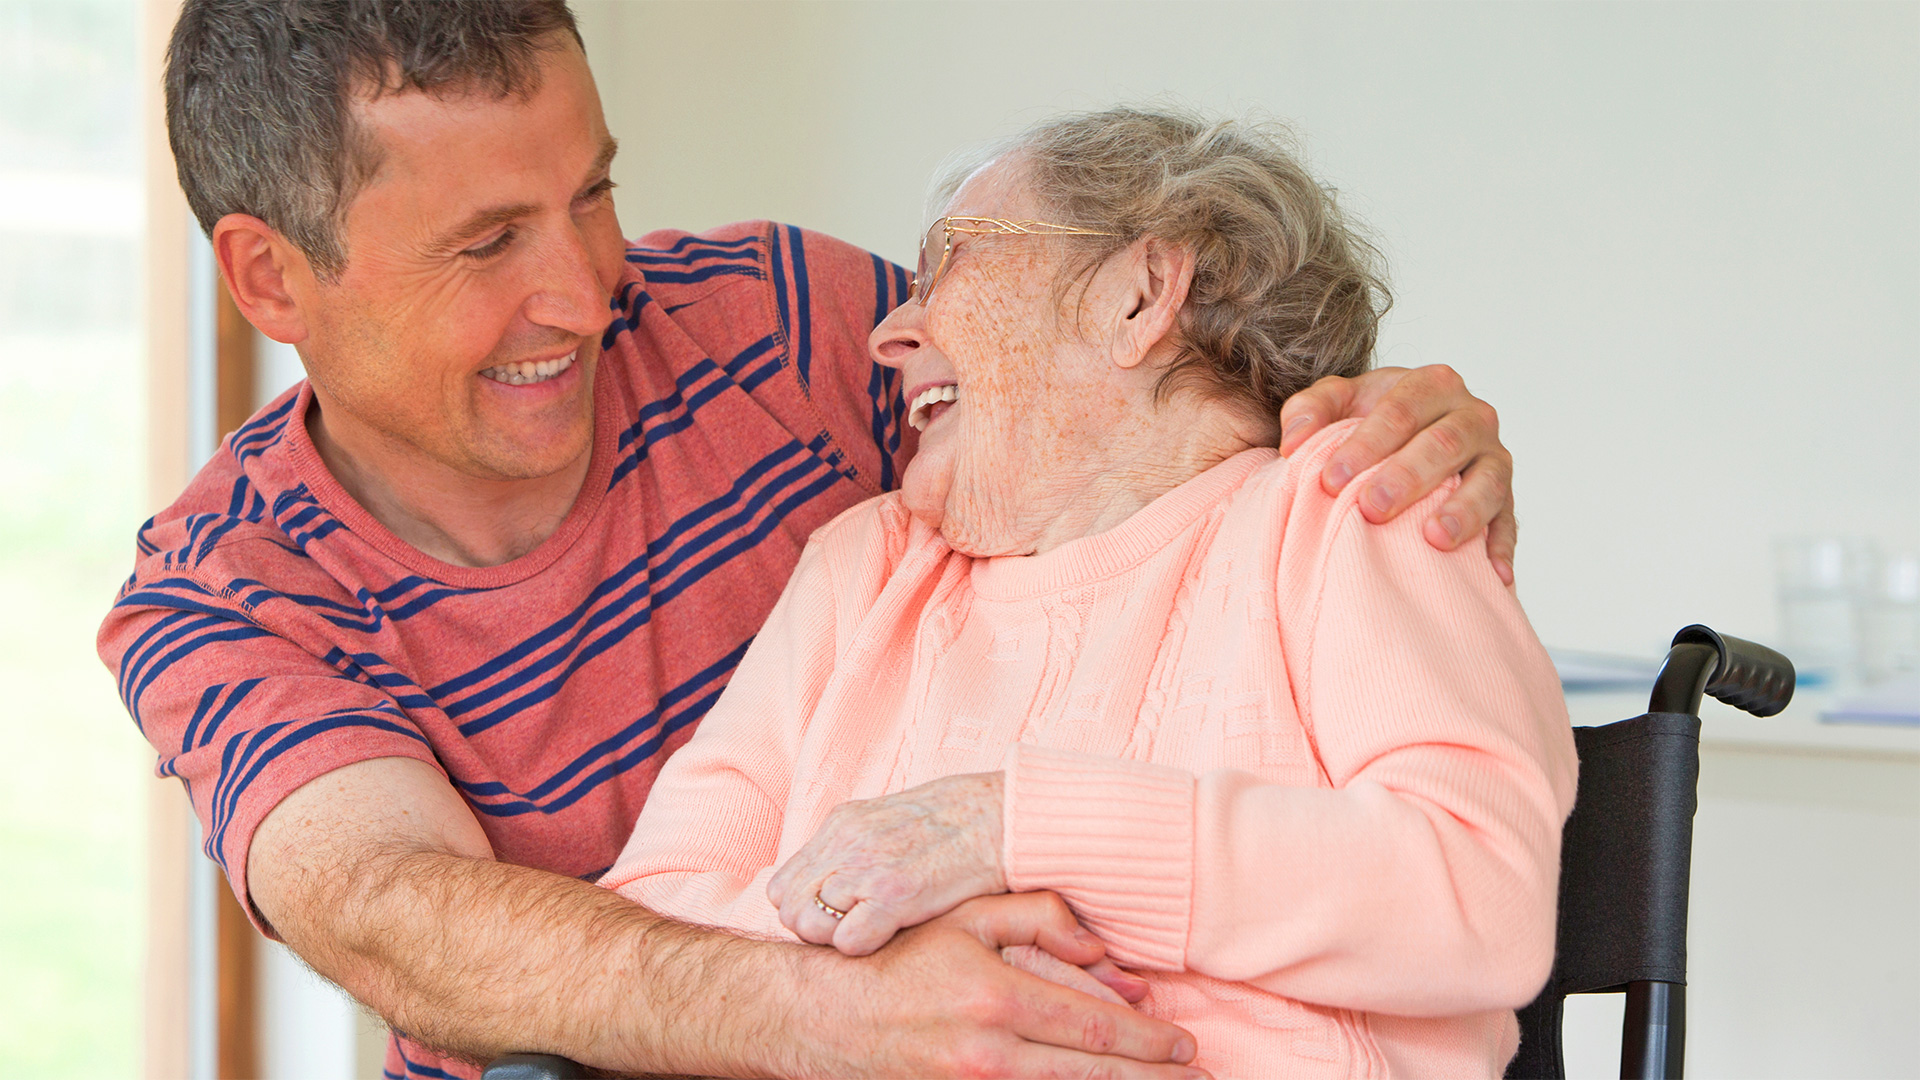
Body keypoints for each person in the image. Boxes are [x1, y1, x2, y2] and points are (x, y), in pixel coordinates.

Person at [101, 3, 1521, 1077]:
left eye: (592, 193)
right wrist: (858, 1005)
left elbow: (1109, 404)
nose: (590, 290)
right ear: (270, 277)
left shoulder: (785, 327)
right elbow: (396, 915)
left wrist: (1369, 419)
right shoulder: (225, 593)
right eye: (486, 245)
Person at [603, 108, 1577, 1077]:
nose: (891, 334)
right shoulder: (864, 568)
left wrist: (1012, 830)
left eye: (949, 262)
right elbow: (649, 929)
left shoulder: (1351, 504)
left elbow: (1481, 893)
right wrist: (884, 988)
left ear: (1139, 295)